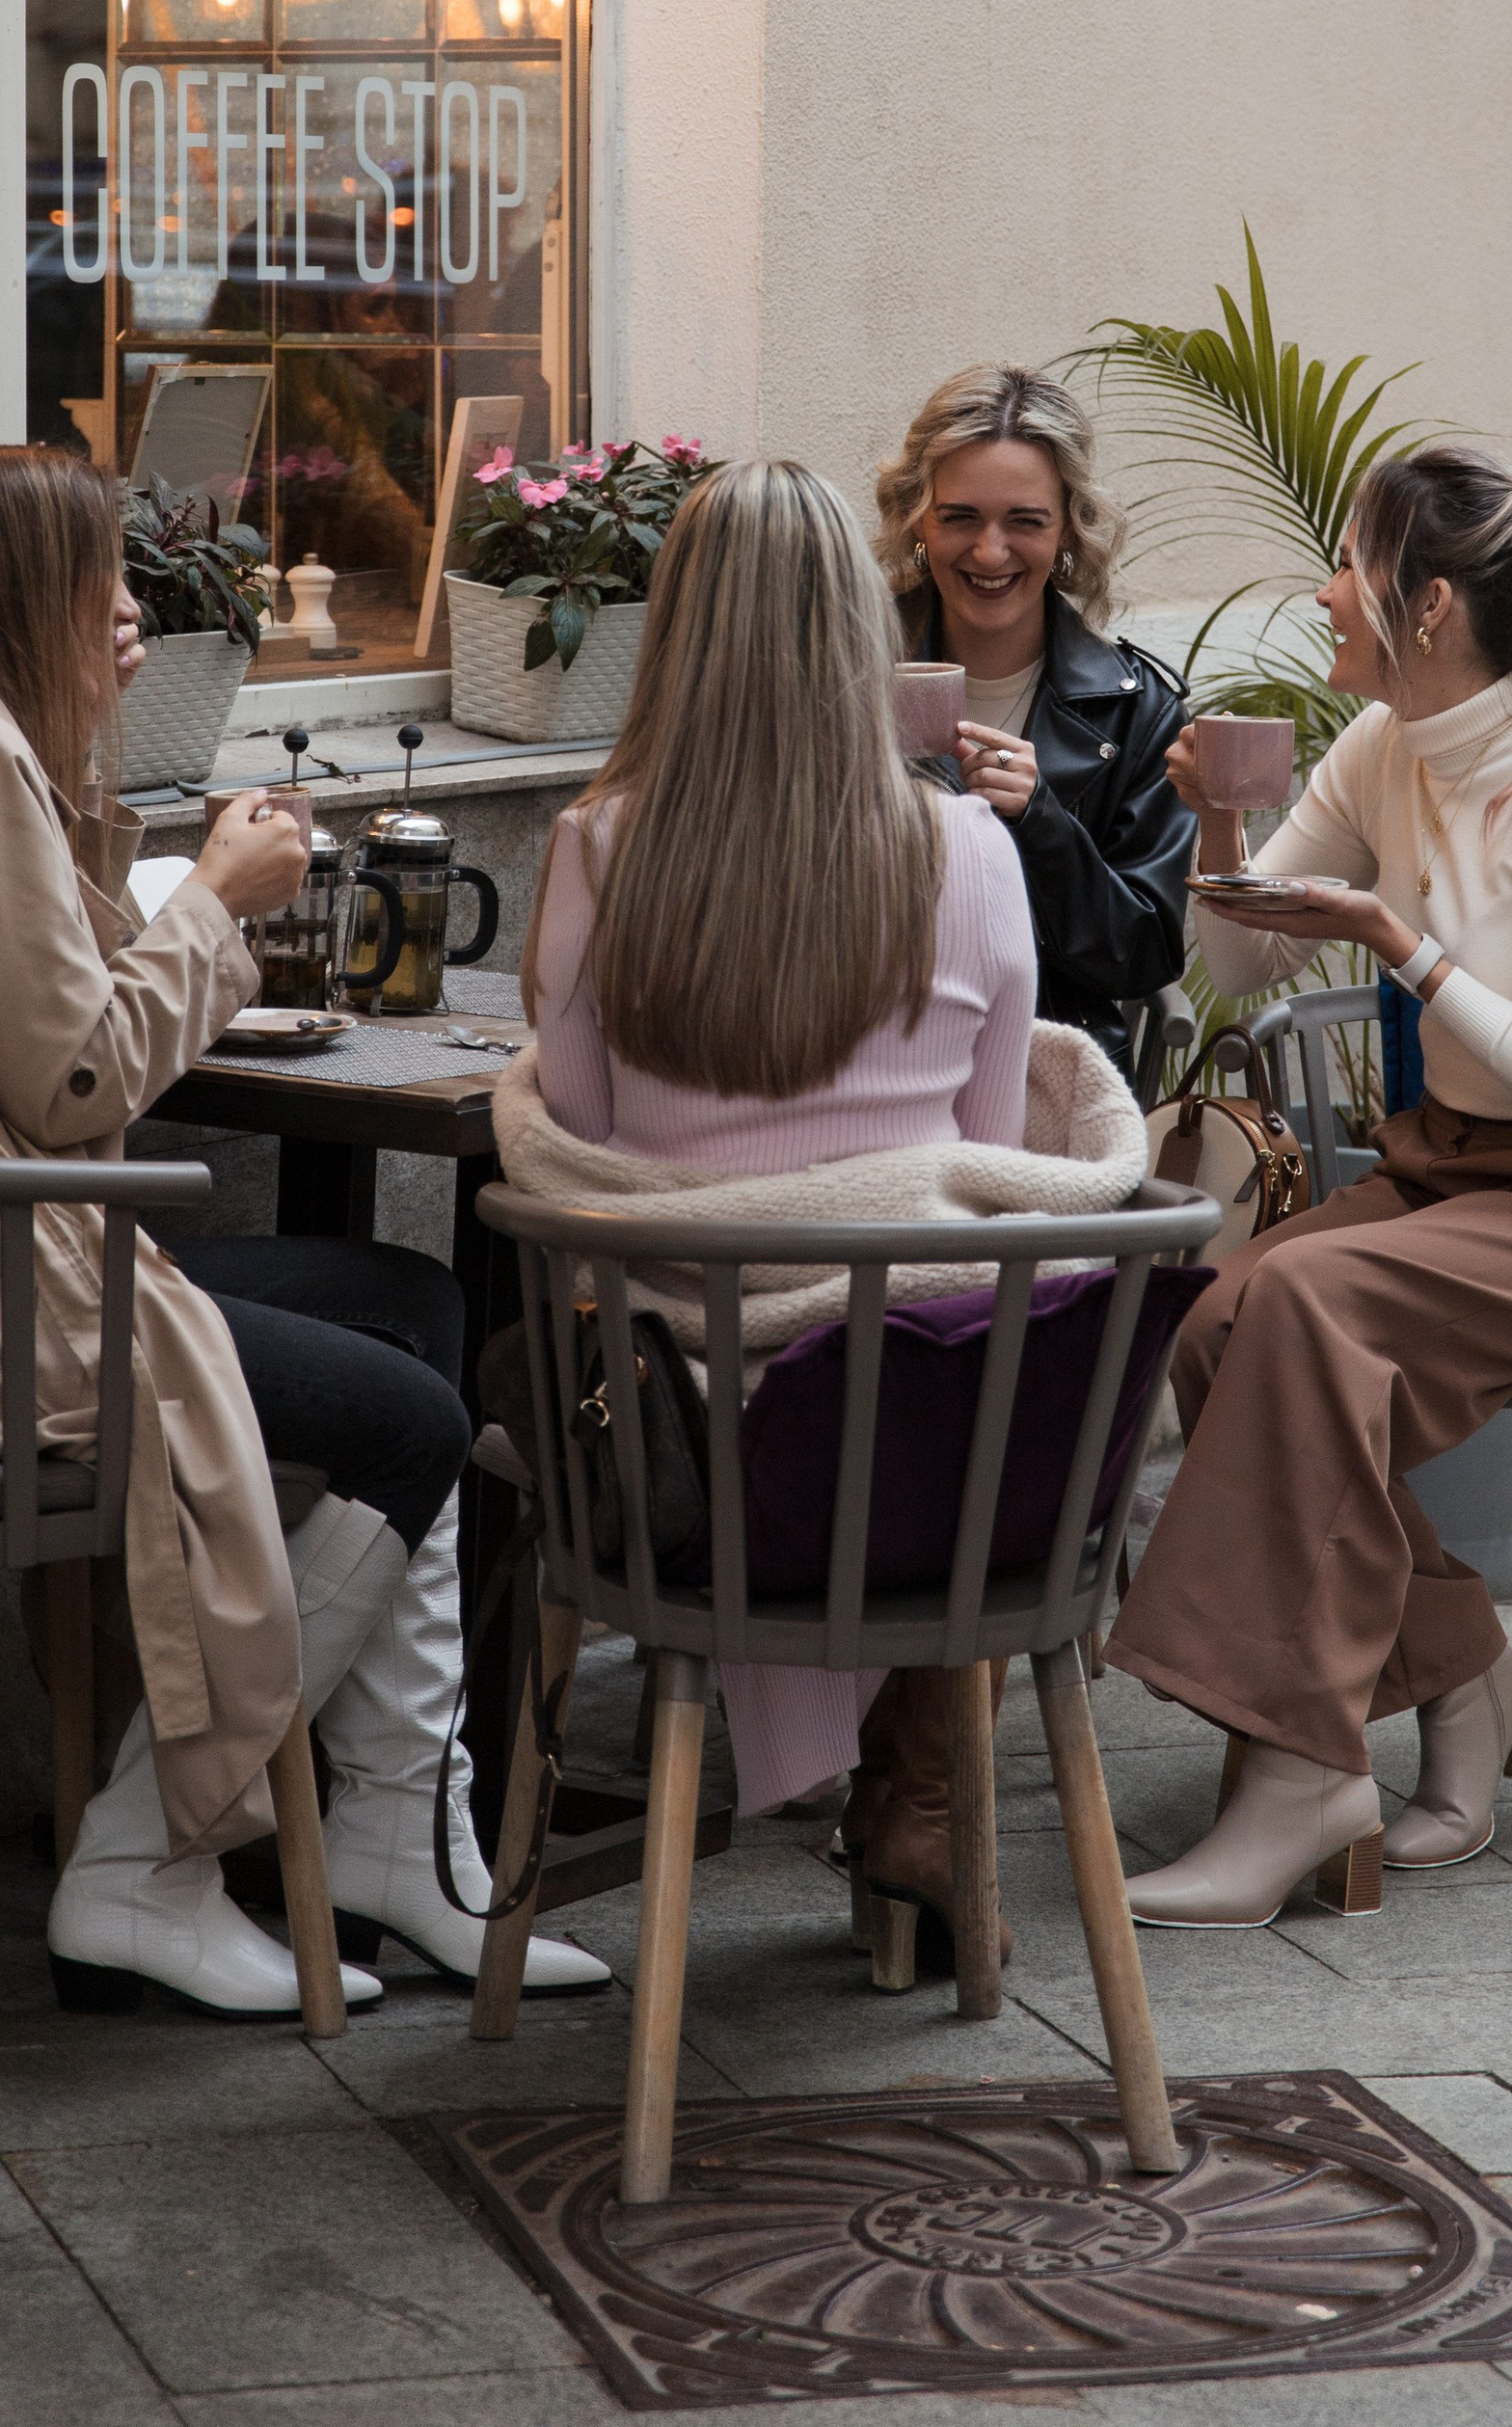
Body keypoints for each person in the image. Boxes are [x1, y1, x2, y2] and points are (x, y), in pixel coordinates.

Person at [0, 445, 604, 2015]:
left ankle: (388, 1841)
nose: (130, 606)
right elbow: (79, 1075)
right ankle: (150, 1860)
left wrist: (88, 752)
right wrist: (219, 895)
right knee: (416, 1418)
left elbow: (31, 992)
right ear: (35, 589)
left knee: (407, 1302)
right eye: (108, 576)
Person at [503, 456, 1143, 1957]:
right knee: (930, 1337)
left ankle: (864, 1797)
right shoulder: (972, 854)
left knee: (532, 1371)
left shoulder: (597, 848)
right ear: (862, 634)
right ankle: (919, 1798)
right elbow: (984, 1163)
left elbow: (591, 1149)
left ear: (675, 635)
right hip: (939, 1481)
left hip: (700, 1482)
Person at [1108, 443, 1512, 1928]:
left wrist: (1398, 941)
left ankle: (1299, 1773)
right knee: (1215, 1316)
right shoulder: (1386, 742)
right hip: (1461, 1174)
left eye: (1350, 566)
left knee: (1311, 1300)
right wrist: (1218, 824)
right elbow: (1245, 964)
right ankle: (1466, 1673)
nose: (1325, 592)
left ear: (1429, 602)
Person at [876, 364, 1193, 1076]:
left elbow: (1142, 955)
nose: (991, 552)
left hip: (1045, 1068)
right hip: (862, 1054)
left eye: (1025, 521)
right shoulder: (844, 671)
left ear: (1068, 532)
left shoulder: (1137, 706)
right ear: (917, 521)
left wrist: (1043, 822)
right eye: (960, 517)